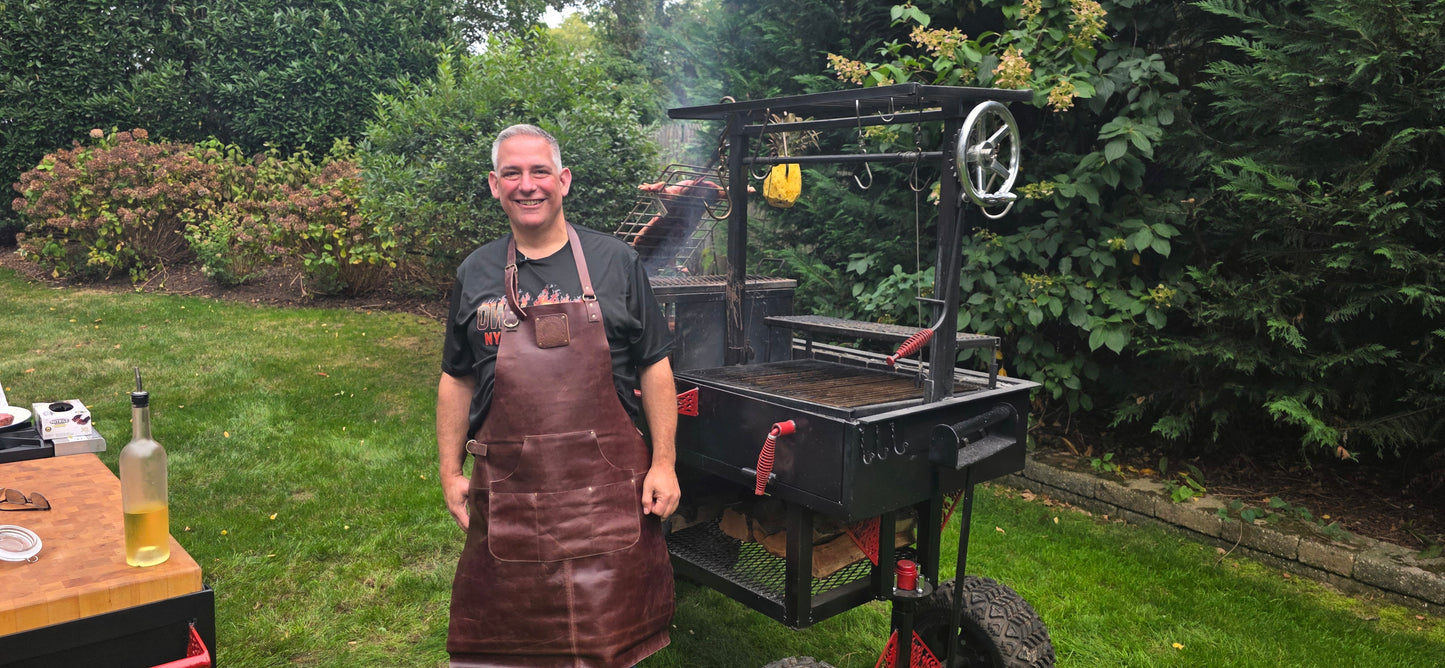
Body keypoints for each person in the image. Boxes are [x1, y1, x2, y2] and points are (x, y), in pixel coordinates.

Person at [437, 124, 679, 667]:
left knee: (609, 640)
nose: (528, 185)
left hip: (607, 492)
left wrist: (664, 463)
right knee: (512, 641)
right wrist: (450, 472)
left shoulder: (618, 263)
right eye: (513, 173)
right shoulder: (474, 272)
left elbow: (655, 365)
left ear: (563, 181)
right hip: (511, 493)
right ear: (494, 185)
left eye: (540, 171)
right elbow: (457, 377)